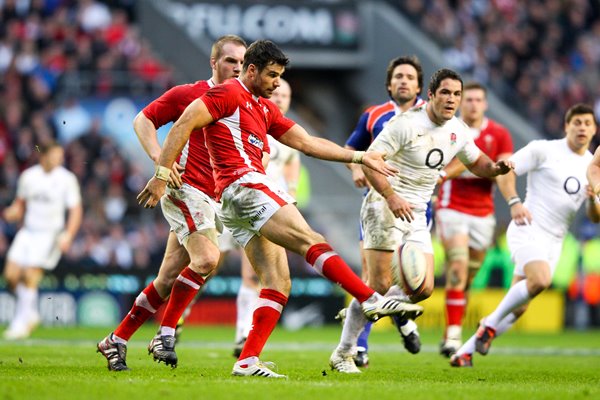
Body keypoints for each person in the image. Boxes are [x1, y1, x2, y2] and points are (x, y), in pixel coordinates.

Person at [137, 39, 423, 378]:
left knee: (277, 282)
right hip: (244, 186)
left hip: (234, 199)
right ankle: (368, 298)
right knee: (309, 239)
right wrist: (161, 172)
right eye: (272, 75)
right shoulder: (228, 94)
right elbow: (184, 123)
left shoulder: (264, 108)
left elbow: (307, 143)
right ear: (252, 70)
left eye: (279, 76)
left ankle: (247, 361)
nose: (277, 83)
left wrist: (360, 156)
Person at [329, 68, 514, 374]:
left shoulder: (457, 129)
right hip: (383, 204)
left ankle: (370, 310)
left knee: (423, 288)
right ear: (430, 95)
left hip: (416, 212)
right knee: (376, 285)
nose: (452, 99)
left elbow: (477, 161)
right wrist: (391, 197)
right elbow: (372, 162)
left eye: (457, 94)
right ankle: (344, 352)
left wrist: (496, 169)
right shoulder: (406, 124)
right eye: (445, 93)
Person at [97, 35, 247, 371]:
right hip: (186, 191)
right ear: (214, 63)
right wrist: (159, 160)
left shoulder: (244, 103)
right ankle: (166, 333)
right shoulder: (189, 94)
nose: (236, 68)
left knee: (166, 280)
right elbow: (142, 120)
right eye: (229, 61)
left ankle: (116, 340)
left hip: (216, 200)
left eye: (241, 63)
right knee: (208, 258)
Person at [450, 103, 600, 368]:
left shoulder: (592, 167)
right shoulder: (543, 149)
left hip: (554, 242)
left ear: (594, 129)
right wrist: (514, 202)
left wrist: (591, 200)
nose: (582, 128)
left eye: (587, 123)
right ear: (566, 126)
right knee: (541, 279)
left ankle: (465, 351)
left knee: (518, 308)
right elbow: (505, 170)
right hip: (528, 227)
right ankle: (489, 327)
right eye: (577, 122)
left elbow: (595, 216)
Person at [344, 55, 427, 367]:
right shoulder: (373, 115)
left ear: (419, 85)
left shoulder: (431, 117)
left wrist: (445, 173)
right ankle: (360, 346)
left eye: (409, 77)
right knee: (372, 278)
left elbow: (460, 149)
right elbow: (353, 148)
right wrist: (355, 169)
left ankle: (401, 318)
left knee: (413, 280)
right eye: (398, 77)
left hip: (418, 206)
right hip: (378, 204)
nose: (403, 81)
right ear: (389, 84)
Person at [435, 82, 513, 357]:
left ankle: (450, 328)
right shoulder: (447, 129)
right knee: (457, 268)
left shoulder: (499, 134)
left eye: (478, 100)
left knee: (467, 278)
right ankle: (453, 338)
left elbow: (503, 170)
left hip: (483, 213)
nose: (472, 104)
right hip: (451, 206)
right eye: (467, 99)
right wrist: (476, 166)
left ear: (485, 104)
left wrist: (512, 199)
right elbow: (440, 168)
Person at [233, 78, 301, 357]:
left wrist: (292, 196)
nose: (281, 98)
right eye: (278, 92)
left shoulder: (287, 135)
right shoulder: (253, 122)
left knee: (260, 275)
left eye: (286, 94)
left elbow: (292, 169)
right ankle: (177, 320)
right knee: (210, 264)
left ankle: (244, 336)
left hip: (271, 210)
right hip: (244, 202)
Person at [2, 142, 82, 340]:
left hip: (50, 234)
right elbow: (20, 205)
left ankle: (21, 322)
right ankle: (30, 313)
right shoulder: (29, 176)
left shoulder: (66, 179)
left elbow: (75, 210)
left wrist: (68, 235)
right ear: (43, 156)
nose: (60, 159)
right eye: (56, 155)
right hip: (28, 232)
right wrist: (12, 212)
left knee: (29, 275)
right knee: (11, 276)